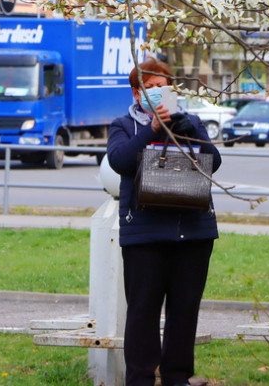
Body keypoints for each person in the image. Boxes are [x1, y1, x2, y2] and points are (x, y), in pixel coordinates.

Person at [107, 58, 222, 386]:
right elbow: (120, 162)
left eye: (163, 87)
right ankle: (141, 378)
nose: (158, 93)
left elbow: (213, 162)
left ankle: (177, 377)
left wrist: (186, 129)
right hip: (145, 233)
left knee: (184, 310)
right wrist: (152, 130)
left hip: (194, 230)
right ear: (136, 92)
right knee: (142, 311)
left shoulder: (191, 121)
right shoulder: (123, 125)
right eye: (151, 88)